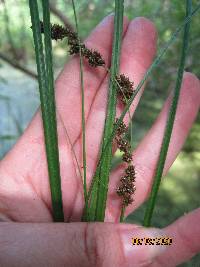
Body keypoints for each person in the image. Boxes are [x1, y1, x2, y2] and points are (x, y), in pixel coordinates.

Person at [0, 15, 199, 267]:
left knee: (162, 242)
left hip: (147, 245)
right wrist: (115, 248)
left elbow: (151, 243)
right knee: (162, 242)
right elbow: (141, 244)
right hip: (145, 245)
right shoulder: (129, 245)